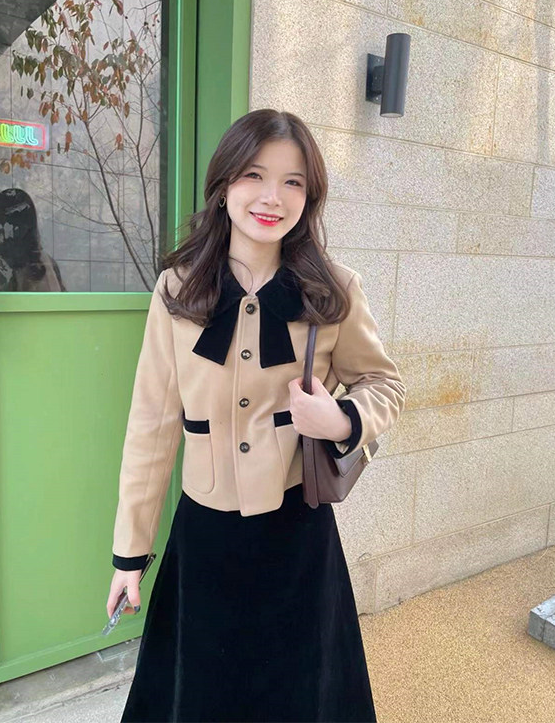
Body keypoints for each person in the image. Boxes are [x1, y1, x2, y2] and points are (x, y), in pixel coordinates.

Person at [106, 109, 406, 722]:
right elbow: (152, 428)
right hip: (205, 540)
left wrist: (340, 419)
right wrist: (130, 556)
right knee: (202, 695)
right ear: (223, 186)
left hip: (297, 536)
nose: (273, 197)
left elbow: (384, 384)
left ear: (309, 196)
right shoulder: (177, 290)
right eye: (254, 175)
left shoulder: (333, 289)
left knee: (297, 697)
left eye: (293, 182)